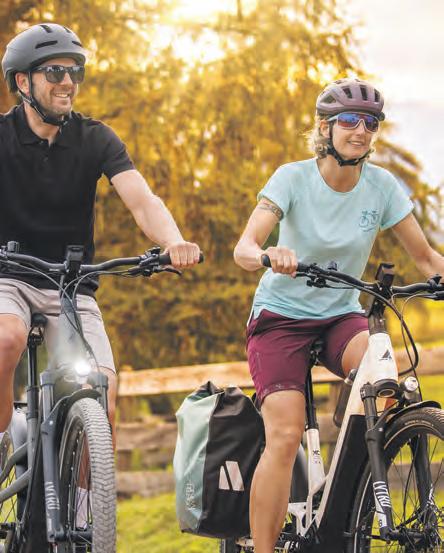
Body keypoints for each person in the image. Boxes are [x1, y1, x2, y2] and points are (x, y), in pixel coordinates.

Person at [233, 77, 444, 553]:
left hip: (340, 317)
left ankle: (348, 487)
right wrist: (269, 254)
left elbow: (427, 258)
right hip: (280, 318)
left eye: (370, 123)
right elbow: (244, 248)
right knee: (284, 435)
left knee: (383, 370)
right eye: (349, 120)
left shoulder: (381, 187)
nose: (361, 130)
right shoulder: (292, 178)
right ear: (325, 128)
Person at [0, 23, 201, 440]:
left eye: (75, 71)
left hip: (71, 284)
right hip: (8, 276)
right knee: (6, 338)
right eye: (55, 72)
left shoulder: (96, 138)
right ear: (22, 81)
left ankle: (89, 481)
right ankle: (1, 433)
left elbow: (142, 201)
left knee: (101, 391)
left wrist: (173, 241)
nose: (68, 82)